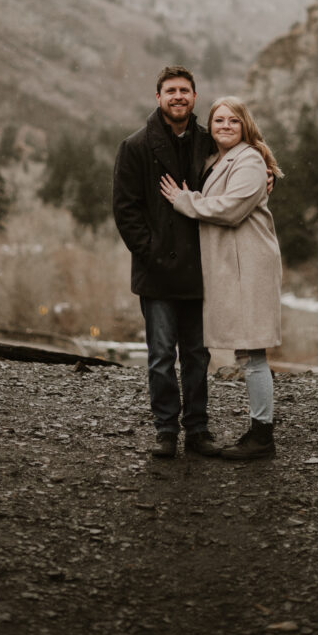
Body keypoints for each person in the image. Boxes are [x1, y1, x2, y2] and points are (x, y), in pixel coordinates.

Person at [160, 96, 283, 460]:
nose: (226, 126)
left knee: (254, 352)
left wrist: (184, 200)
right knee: (248, 351)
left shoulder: (248, 159)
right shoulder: (218, 160)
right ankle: (260, 430)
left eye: (233, 120)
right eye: (218, 121)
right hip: (236, 266)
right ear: (210, 128)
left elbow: (230, 210)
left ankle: (262, 435)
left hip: (250, 266)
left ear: (245, 124)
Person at [112, 66, 220, 458]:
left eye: (185, 91)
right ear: (158, 98)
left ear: (195, 97)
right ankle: (165, 431)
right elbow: (126, 211)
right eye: (170, 90)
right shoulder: (136, 146)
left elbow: (247, 162)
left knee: (197, 354)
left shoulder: (209, 143)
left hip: (198, 270)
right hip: (156, 272)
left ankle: (197, 429)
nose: (178, 96)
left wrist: (270, 174)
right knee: (160, 356)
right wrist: (153, 254)